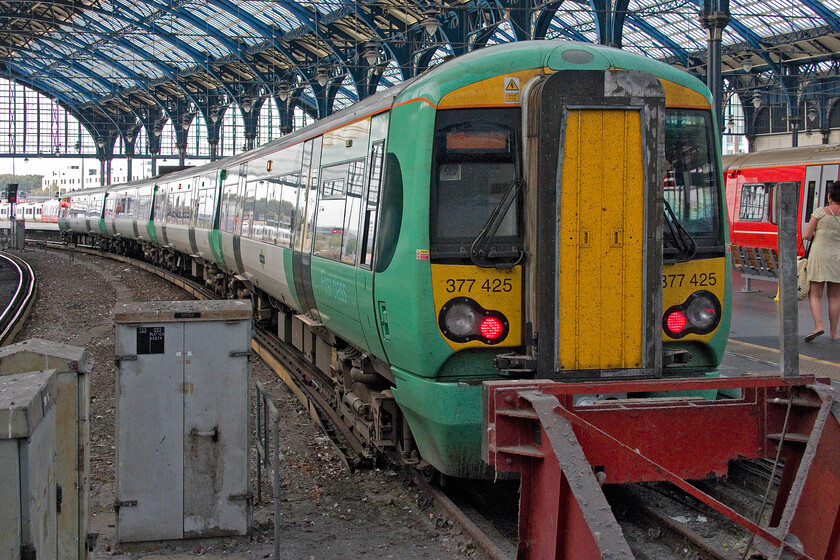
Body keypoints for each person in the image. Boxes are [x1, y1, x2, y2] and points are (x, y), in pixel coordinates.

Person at [803, 180, 840, 342]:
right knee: (835, 296)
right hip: (837, 258)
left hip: (819, 257)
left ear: (830, 195)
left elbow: (807, 235)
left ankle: (819, 326)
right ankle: (834, 332)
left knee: (815, 294)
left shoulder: (820, 212)